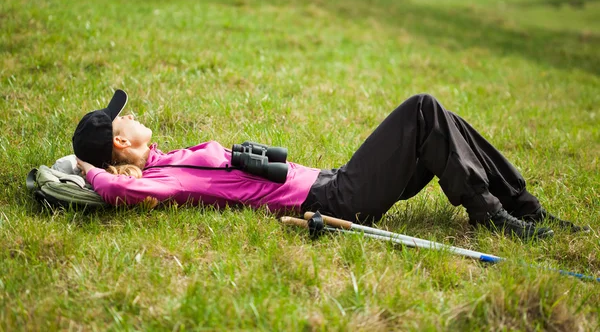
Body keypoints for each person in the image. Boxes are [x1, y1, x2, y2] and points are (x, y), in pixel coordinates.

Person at [73, 90, 589, 240]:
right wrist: (81, 165)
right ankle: (493, 217)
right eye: (128, 118)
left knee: (439, 121)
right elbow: (126, 194)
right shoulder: (166, 178)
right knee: (422, 109)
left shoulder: (168, 158)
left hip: (333, 182)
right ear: (120, 142)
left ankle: (523, 207)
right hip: (337, 200)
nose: (136, 116)